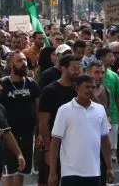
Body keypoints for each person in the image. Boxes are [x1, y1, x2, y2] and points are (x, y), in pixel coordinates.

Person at [48, 75, 113, 186]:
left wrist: (110, 167)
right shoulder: (64, 110)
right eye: (87, 87)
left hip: (94, 171)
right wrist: (52, 173)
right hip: (70, 172)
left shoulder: (100, 109)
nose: (91, 90)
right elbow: (55, 142)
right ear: (77, 88)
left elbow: (105, 140)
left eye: (93, 87)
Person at [0, 51, 40, 186]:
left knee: (21, 171)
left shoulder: (31, 83)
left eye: (24, 60)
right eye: (19, 61)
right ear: (10, 64)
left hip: (27, 134)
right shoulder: (2, 84)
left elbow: (39, 110)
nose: (23, 63)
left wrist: (39, 133)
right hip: (8, 135)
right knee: (9, 172)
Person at [37, 54, 81, 184]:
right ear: (63, 69)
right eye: (74, 69)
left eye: (79, 68)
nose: (77, 72)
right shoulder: (49, 91)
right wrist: (48, 149)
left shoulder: (79, 90)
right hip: (55, 145)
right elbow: (44, 122)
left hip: (76, 146)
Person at [95, 48, 119, 164]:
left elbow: (118, 97)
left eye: (113, 55)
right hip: (95, 118)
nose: (113, 58)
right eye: (109, 56)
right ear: (101, 58)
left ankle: (108, 174)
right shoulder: (89, 76)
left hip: (112, 117)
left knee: (110, 149)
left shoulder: (114, 76)